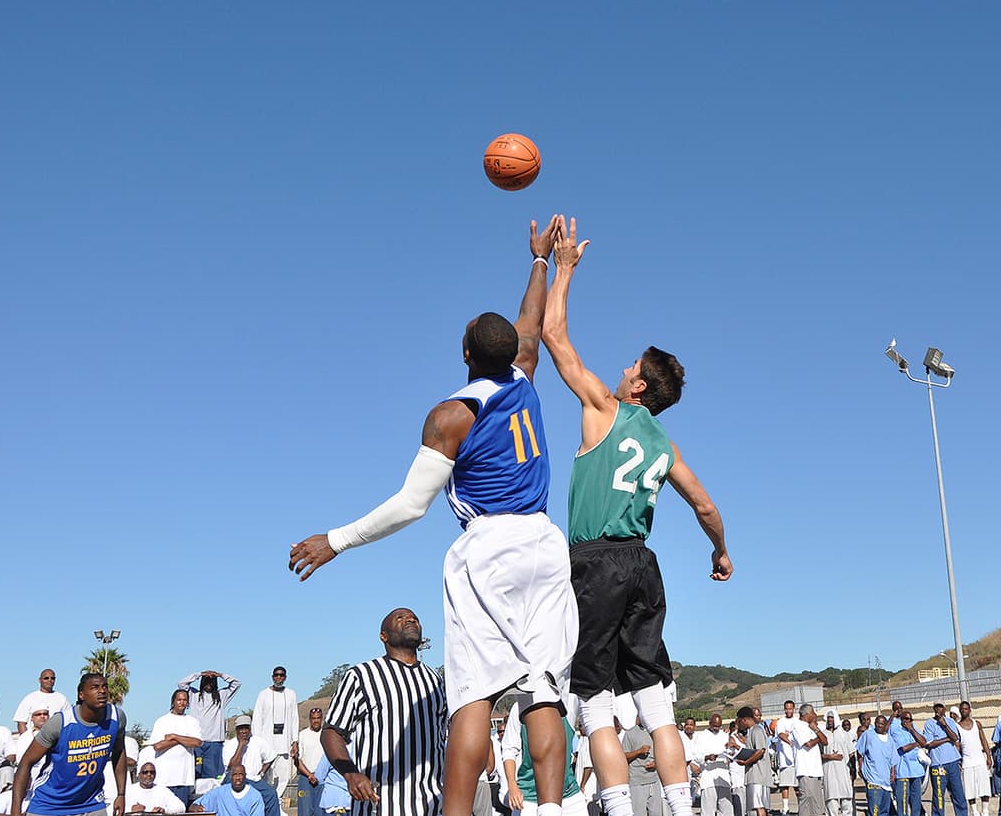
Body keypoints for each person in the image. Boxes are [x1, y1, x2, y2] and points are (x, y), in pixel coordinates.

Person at [290, 218, 576, 816]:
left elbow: (411, 505)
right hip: (546, 544)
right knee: (542, 692)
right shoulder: (524, 379)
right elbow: (528, 324)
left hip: (489, 545)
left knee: (471, 698)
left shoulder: (452, 415)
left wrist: (336, 540)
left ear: (465, 352)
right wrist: (540, 262)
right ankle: (553, 807)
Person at [539, 216, 731, 816]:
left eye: (630, 367)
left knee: (593, 703)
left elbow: (552, 335)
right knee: (656, 706)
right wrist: (720, 551)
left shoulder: (604, 407)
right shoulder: (665, 447)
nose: (622, 369)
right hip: (643, 564)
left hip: (594, 562)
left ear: (639, 385)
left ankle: (619, 809)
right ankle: (680, 807)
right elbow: (706, 506)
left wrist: (562, 267)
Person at [320, 608, 446, 816]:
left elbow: (443, 739)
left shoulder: (436, 680)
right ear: (383, 636)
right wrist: (351, 775)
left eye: (414, 618)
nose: (410, 620)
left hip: (433, 805)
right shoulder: (361, 676)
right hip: (380, 806)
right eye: (400, 618)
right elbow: (331, 732)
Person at [11, 672, 128, 816]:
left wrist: (121, 794)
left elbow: (119, 752)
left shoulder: (117, 717)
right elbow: (25, 763)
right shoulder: (61, 722)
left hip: (91, 803)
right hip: (50, 804)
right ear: (81, 695)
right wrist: (15, 811)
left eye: (105, 686)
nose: (102, 691)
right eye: (95, 687)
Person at [502, 699, 589, 816]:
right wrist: (512, 786)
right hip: (529, 797)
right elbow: (509, 750)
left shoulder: (568, 701)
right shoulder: (519, 707)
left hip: (568, 795)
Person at [179, 670, 241, 781]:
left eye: (212, 681)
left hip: (214, 743)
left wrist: (221, 675)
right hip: (196, 742)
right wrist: (199, 674)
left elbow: (236, 683)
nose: (209, 683)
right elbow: (182, 684)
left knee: (212, 777)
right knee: (194, 773)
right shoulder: (193, 695)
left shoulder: (221, 696)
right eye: (206, 680)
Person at [251, 667, 299, 804]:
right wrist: (257, 743)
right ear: (272, 677)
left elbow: (295, 718)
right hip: (267, 744)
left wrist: (295, 741)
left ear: (285, 677)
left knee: (284, 777)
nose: (279, 678)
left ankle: (277, 803)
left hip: (284, 743)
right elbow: (257, 719)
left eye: (282, 675)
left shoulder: (291, 694)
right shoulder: (263, 694)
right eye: (276, 675)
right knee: (265, 776)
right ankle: (266, 802)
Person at [148, 689, 202, 806]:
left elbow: (197, 742)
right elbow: (158, 746)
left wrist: (174, 736)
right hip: (164, 778)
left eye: (185, 700)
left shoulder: (192, 721)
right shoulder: (162, 721)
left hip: (183, 778)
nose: (182, 703)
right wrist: (184, 740)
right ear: (173, 702)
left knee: (180, 809)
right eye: (179, 700)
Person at [223, 715, 280, 816]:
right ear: (236, 730)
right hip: (234, 778)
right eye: (241, 728)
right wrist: (241, 745)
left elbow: (271, 757)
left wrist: (262, 773)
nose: (244, 731)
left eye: (246, 728)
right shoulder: (229, 745)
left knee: (271, 794)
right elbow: (231, 767)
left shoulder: (258, 741)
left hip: (254, 780)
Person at [921, 702, 967, 816]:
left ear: (944, 709)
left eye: (941, 707)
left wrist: (944, 725)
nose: (938, 709)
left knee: (958, 794)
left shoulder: (950, 722)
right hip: (938, 764)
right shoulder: (929, 724)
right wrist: (946, 740)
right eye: (936, 707)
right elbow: (929, 744)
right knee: (939, 797)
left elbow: (955, 738)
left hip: (953, 762)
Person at [855, 716, 897, 816]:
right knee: (874, 811)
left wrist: (893, 773)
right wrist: (861, 767)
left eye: (882, 724)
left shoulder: (890, 740)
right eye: (877, 723)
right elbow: (859, 751)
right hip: (873, 780)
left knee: (884, 812)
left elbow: (893, 759)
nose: (879, 725)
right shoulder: (868, 735)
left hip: (886, 782)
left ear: (886, 725)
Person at [692, 715, 733, 816]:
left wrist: (730, 756)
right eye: (715, 726)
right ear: (710, 723)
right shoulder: (702, 736)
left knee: (727, 809)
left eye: (719, 726)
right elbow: (696, 756)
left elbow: (729, 752)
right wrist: (707, 757)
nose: (717, 728)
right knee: (708, 811)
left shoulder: (724, 735)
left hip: (723, 777)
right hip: (709, 778)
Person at [956, 702, 992, 816]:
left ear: (970, 710)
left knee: (984, 787)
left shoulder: (977, 724)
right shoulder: (957, 726)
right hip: (967, 762)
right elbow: (957, 746)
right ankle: (974, 811)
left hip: (980, 760)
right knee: (970, 789)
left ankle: (985, 810)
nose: (964, 711)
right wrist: (959, 760)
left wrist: (988, 756)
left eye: (966, 709)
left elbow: (984, 740)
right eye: (962, 709)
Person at [890, 711, 926, 816]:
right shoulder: (897, 731)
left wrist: (912, 730)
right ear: (901, 719)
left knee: (916, 802)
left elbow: (923, 742)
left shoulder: (914, 729)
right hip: (903, 771)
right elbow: (904, 748)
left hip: (916, 771)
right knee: (903, 802)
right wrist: (916, 743)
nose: (908, 721)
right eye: (905, 719)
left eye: (910, 719)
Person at [192, 764, 264, 816]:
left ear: (245, 776)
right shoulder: (220, 792)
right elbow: (195, 805)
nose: (238, 777)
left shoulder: (255, 796)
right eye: (235, 774)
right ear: (230, 777)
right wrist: (195, 807)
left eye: (241, 774)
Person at [12, 670, 69, 735]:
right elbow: (21, 723)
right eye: (46, 678)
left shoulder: (62, 698)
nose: (49, 680)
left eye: (52, 678)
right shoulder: (30, 698)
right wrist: (27, 741)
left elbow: (68, 720)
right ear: (39, 680)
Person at [820, 708, 853, 816]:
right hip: (829, 772)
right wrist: (831, 756)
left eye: (832, 718)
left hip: (843, 771)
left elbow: (851, 753)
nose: (830, 721)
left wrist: (853, 771)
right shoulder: (822, 735)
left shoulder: (844, 734)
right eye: (828, 719)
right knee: (831, 801)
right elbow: (818, 756)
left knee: (846, 800)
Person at [741, 709, 771, 816]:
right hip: (754, 776)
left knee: (759, 807)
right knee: (755, 808)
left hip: (758, 776)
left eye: (740, 721)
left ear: (744, 719)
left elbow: (761, 751)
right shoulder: (751, 732)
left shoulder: (757, 730)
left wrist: (746, 762)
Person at [296, 708, 326, 816]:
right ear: (310, 719)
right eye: (313, 718)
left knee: (321, 812)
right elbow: (298, 760)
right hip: (306, 778)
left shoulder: (326, 735)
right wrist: (309, 775)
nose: (316, 721)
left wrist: (318, 775)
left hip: (322, 779)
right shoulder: (302, 735)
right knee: (305, 811)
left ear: (322, 719)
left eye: (318, 718)